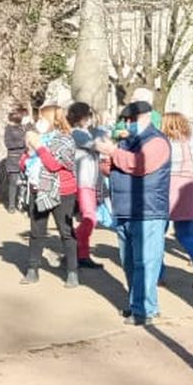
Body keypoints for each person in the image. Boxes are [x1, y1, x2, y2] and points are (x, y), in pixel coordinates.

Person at [95, 99, 172, 325]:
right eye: (125, 120)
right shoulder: (126, 141)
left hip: (148, 210)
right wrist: (106, 156)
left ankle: (144, 309)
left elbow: (140, 165)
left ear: (146, 118)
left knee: (146, 262)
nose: (127, 124)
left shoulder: (157, 141)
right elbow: (110, 169)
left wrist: (113, 151)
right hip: (124, 209)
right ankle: (138, 304)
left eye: (132, 120)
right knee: (129, 262)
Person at [20, 105, 79, 288]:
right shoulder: (37, 138)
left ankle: (72, 271)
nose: (40, 122)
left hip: (62, 191)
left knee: (66, 232)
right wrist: (29, 153)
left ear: (54, 120)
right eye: (39, 119)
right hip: (38, 190)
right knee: (37, 231)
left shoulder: (65, 140)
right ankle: (32, 269)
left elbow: (53, 165)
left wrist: (39, 147)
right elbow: (24, 164)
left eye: (43, 119)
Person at [163, 111, 193, 288]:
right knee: (185, 231)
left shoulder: (166, 142)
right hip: (190, 186)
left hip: (170, 186)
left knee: (158, 232)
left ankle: (158, 273)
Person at [67, 102, 104, 271]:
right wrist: (103, 128)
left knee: (87, 217)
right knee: (90, 218)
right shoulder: (78, 134)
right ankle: (75, 247)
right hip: (83, 181)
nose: (90, 119)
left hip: (89, 180)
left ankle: (82, 252)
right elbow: (98, 145)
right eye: (88, 116)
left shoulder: (84, 133)